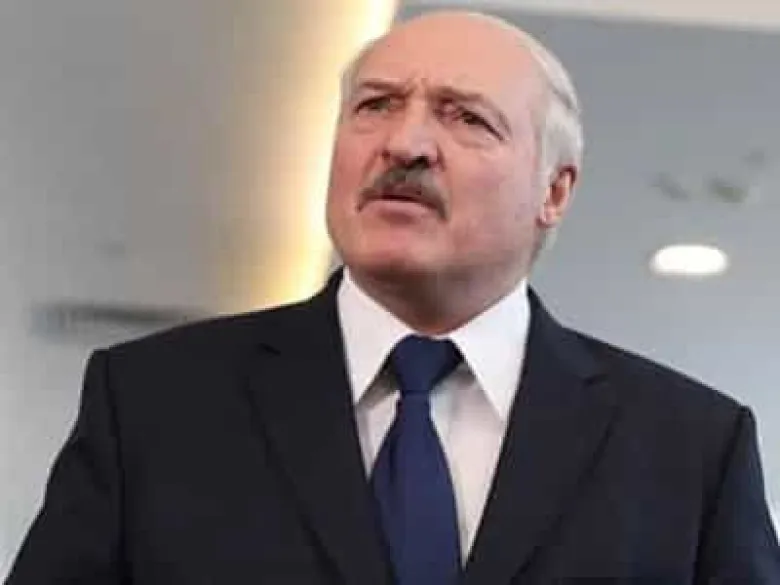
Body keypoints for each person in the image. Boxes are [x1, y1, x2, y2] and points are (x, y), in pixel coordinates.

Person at [6, 10, 780, 585]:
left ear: (554, 191)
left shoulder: (690, 449)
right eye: (375, 105)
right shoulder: (153, 404)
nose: (403, 144)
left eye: (465, 116)